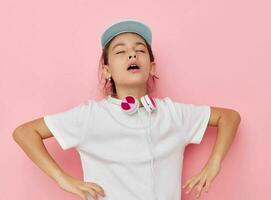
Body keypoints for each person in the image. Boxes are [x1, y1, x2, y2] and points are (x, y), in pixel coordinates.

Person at [13, 19, 241, 200]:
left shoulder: (173, 114)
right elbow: (24, 133)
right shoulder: (90, 116)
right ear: (106, 71)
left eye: (140, 50)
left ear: (151, 67)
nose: (132, 54)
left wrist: (214, 163)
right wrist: (62, 179)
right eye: (120, 52)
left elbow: (229, 117)